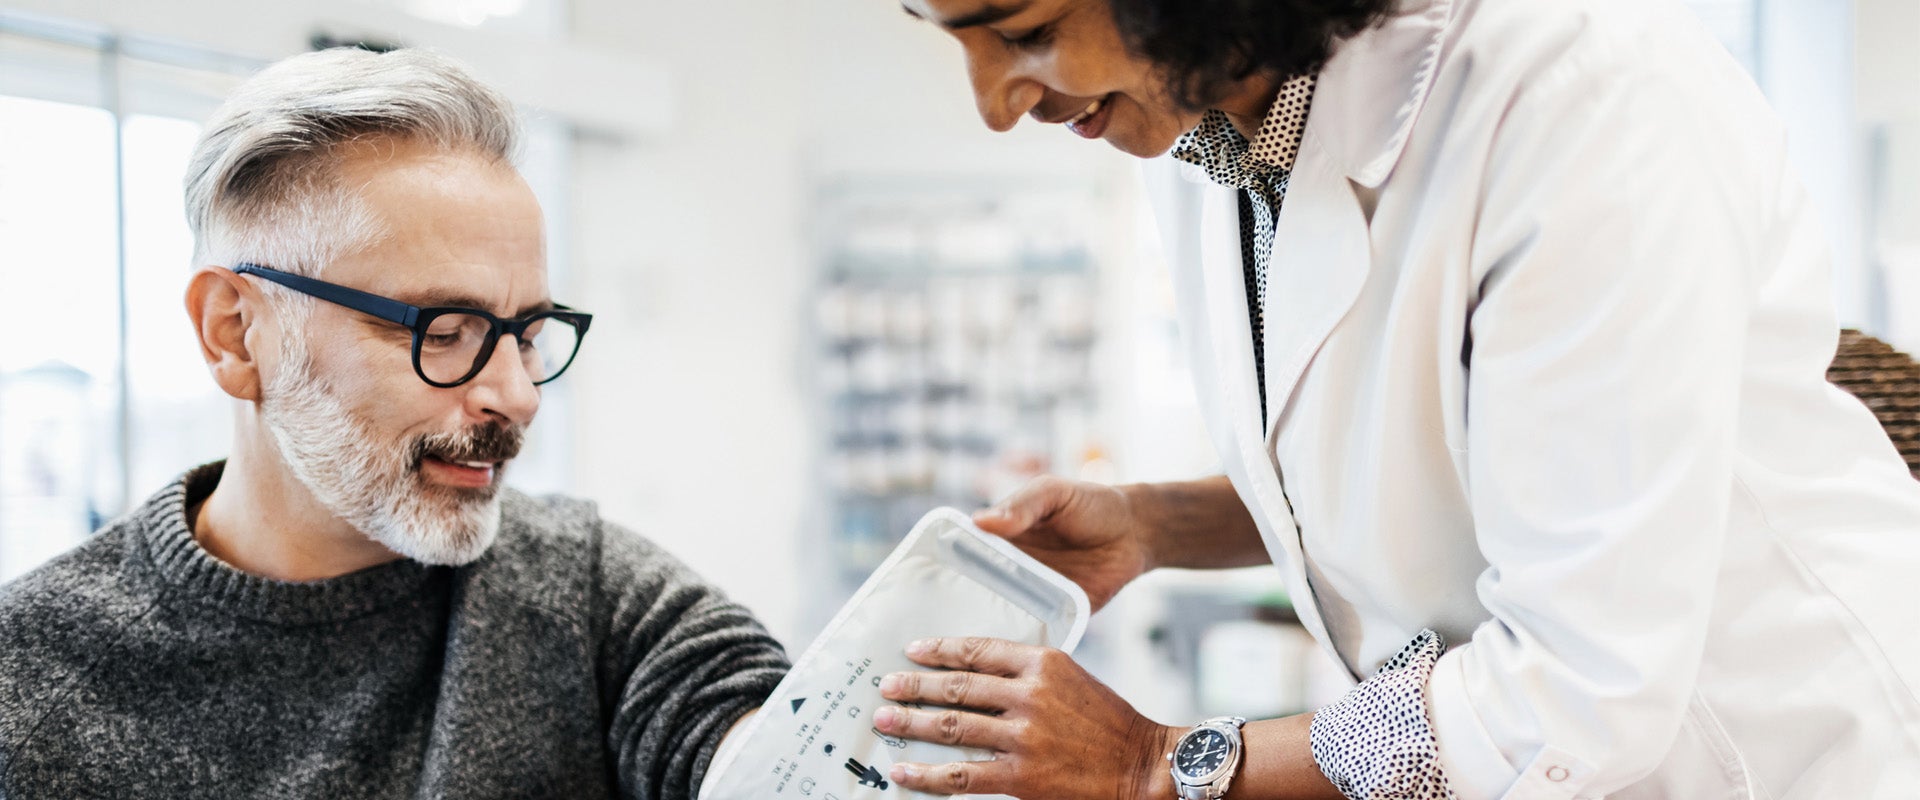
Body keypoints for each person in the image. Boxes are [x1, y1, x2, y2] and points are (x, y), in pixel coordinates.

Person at [873, 0, 1920, 797]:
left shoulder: (1577, 98)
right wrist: (1154, 525)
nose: (995, 104)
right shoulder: (1202, 131)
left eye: (1024, 29)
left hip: (1774, 759)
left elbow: (1576, 692)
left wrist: (1165, 763)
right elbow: (1425, 456)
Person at [0, 48, 787, 799]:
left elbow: (754, 733)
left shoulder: (588, 597)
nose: (517, 396)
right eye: (445, 333)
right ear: (235, 333)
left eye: (530, 335)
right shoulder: (29, 690)